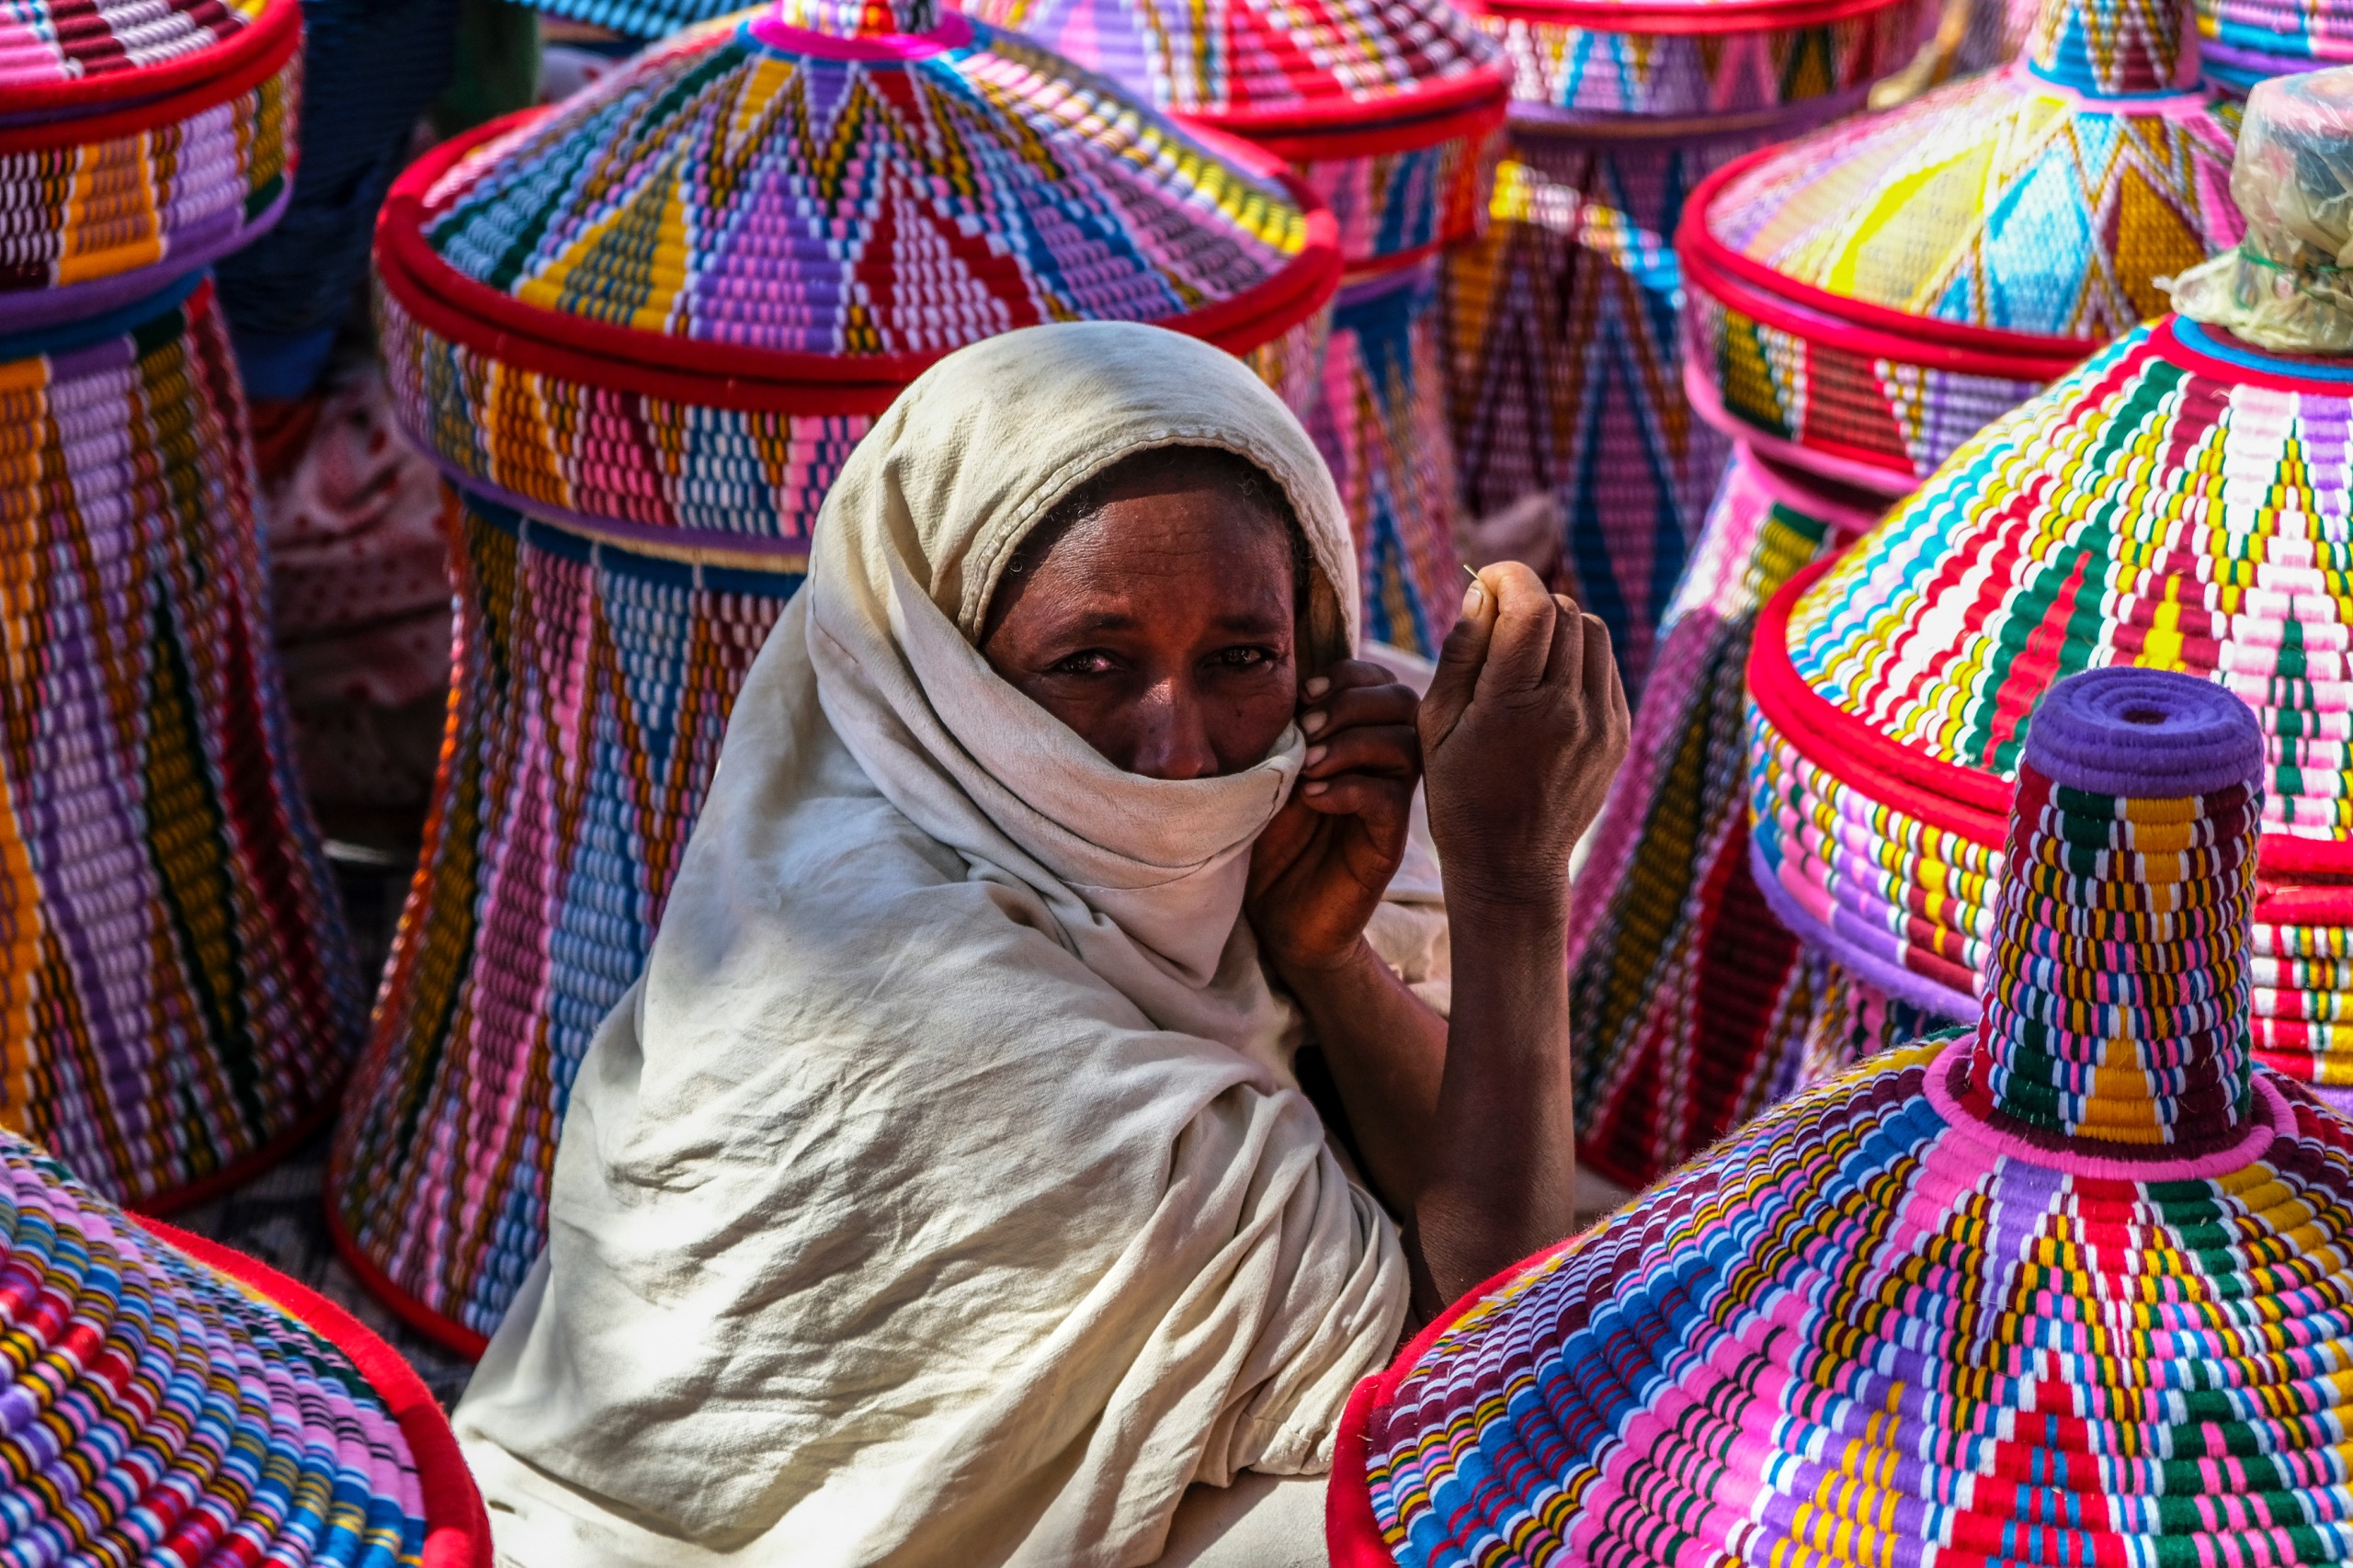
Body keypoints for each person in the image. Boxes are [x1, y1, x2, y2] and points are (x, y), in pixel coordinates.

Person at [451, 321, 1630, 1567]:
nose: (1176, 750)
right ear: (949, 671)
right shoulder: (927, 997)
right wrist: (1511, 885)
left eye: (1243, 657)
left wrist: (1328, 966)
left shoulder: (1268, 839)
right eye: (1092, 662)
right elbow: (1496, 1388)